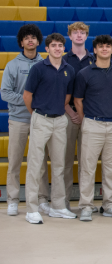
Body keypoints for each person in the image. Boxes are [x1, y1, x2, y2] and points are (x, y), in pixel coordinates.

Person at [23, 33, 77, 224]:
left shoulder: (69, 69)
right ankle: (31, 209)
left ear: (64, 48)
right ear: (46, 49)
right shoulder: (38, 68)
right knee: (35, 165)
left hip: (60, 121)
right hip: (41, 119)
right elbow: (27, 96)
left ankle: (58, 206)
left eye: (60, 45)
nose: (57, 48)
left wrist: (56, 111)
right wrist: (37, 115)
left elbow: (67, 98)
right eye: (53, 45)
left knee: (59, 165)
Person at [74, 35, 112, 221]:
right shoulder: (84, 73)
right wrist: (84, 120)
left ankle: (109, 205)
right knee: (87, 168)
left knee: (111, 168)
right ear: (94, 50)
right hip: (92, 123)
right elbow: (78, 100)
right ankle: (86, 206)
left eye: (108, 46)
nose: (104, 49)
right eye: (101, 46)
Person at [2, 24, 49, 217]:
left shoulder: (45, 64)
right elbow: (5, 93)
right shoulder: (13, 65)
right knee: (14, 161)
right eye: (26, 38)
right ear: (21, 42)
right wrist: (27, 100)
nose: (30, 40)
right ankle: (13, 200)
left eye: (34, 37)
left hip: (40, 120)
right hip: (19, 120)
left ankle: (42, 199)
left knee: (41, 162)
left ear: (39, 41)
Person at [62, 22, 96, 212]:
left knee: (86, 163)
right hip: (68, 116)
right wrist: (70, 111)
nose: (79, 35)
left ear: (86, 36)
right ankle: (63, 203)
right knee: (66, 162)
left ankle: (86, 204)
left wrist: (83, 114)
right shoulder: (64, 59)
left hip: (89, 116)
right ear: (70, 36)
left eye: (82, 33)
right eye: (75, 32)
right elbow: (60, 89)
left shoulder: (95, 59)